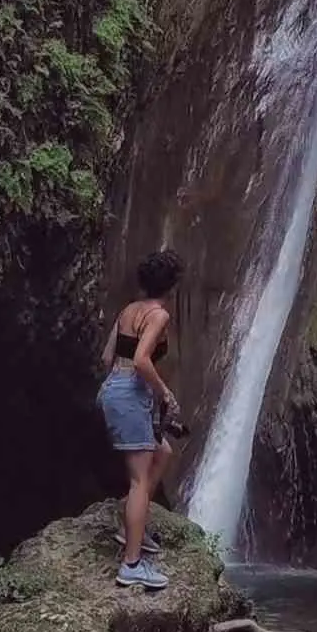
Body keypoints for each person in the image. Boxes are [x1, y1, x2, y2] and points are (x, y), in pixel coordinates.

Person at [99, 249, 185, 589]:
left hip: (114, 387)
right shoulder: (158, 315)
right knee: (138, 480)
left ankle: (132, 528)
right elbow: (141, 359)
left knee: (162, 452)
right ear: (172, 286)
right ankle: (131, 564)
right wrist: (164, 394)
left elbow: (107, 356)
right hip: (130, 394)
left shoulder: (128, 310)